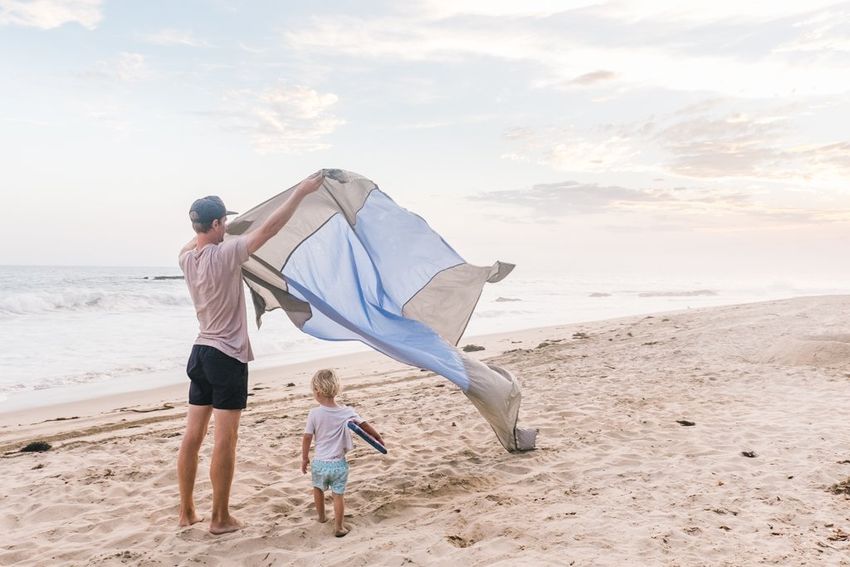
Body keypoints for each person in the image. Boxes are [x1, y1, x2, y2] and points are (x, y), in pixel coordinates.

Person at [176, 171, 324, 534]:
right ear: (215, 224)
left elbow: (196, 240)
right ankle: (220, 518)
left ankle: (186, 512)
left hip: (200, 353)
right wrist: (301, 191)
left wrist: (214, 224)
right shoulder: (227, 253)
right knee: (225, 440)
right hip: (226, 356)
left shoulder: (185, 259)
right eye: (223, 222)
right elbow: (269, 230)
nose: (227, 227)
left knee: (192, 438)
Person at [301, 369, 384, 537]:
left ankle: (322, 517)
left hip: (319, 463)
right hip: (338, 464)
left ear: (317, 391)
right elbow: (364, 426)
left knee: (318, 489)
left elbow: (307, 437)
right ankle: (339, 527)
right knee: (338, 495)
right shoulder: (347, 412)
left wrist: (304, 458)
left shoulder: (314, 413)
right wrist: (378, 438)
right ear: (337, 389)